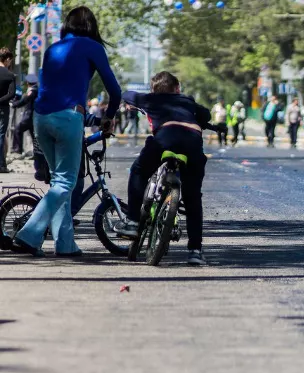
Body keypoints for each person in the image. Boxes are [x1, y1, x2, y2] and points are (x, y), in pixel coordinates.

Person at [6, 6, 121, 257]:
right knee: (66, 181)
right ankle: (28, 234)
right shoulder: (93, 47)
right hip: (68, 117)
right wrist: (108, 118)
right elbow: (115, 91)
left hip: (41, 118)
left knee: (60, 182)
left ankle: (65, 244)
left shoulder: (53, 49)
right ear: (92, 26)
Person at [113, 71, 221, 266]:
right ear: (177, 87)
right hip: (192, 144)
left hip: (164, 139)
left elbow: (126, 94)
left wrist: (137, 100)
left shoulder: (149, 99)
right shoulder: (187, 100)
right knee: (193, 198)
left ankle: (133, 221)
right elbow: (205, 114)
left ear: (154, 89)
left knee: (138, 171)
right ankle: (195, 250)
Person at [10, 74, 39, 157]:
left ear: (27, 83)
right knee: (34, 135)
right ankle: (37, 153)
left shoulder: (32, 91)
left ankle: (17, 149)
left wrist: (14, 104)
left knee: (18, 129)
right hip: (34, 116)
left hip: (29, 116)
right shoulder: (37, 90)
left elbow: (24, 100)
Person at [0, 48, 15, 173]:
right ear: (7, 59)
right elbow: (12, 94)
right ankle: (1, 165)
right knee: (0, 135)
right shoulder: (9, 75)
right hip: (3, 108)